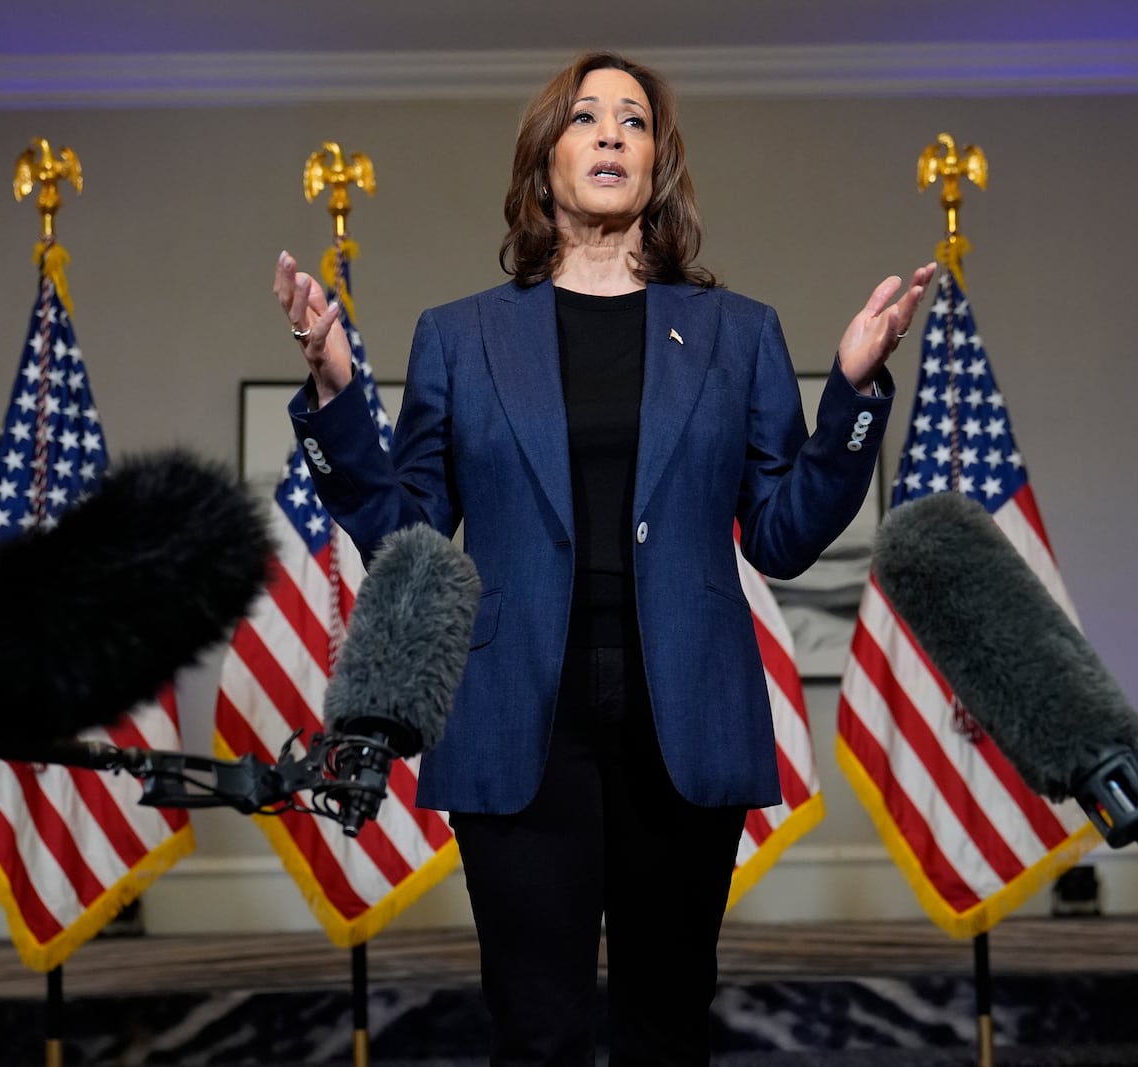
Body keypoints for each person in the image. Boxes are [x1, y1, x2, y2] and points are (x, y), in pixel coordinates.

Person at [275, 50, 935, 1067]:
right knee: (534, 1028)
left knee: (666, 1027)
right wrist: (334, 397)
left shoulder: (736, 332)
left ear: (656, 164)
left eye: (634, 119)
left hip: (684, 712)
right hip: (515, 718)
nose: (613, 134)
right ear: (545, 162)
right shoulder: (458, 337)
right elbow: (403, 533)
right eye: (586, 117)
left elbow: (783, 535)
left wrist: (850, 396)